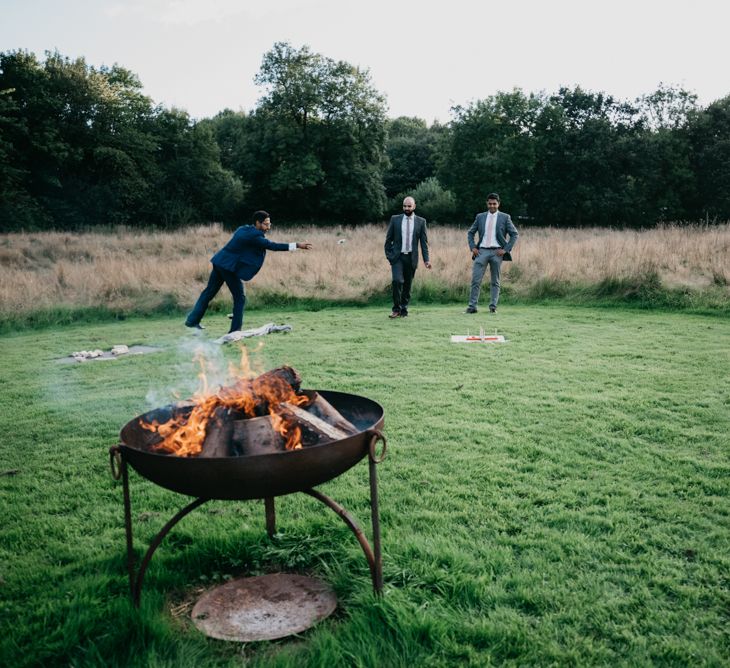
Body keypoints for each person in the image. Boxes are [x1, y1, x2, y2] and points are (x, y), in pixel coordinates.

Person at [185, 210, 312, 333]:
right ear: (257, 223)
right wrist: (297, 245)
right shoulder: (254, 236)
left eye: (269, 224)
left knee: (208, 293)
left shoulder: (243, 229)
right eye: (266, 224)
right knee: (240, 297)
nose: (268, 227)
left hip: (219, 262)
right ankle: (235, 331)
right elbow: (273, 246)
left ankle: (192, 321)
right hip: (229, 267)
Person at [466, 193, 519, 314]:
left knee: (495, 281)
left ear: (498, 204)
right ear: (487, 203)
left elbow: (514, 234)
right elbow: (470, 233)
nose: (492, 206)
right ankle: (472, 307)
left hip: (497, 252)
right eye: (490, 203)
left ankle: (493, 307)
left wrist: (505, 249)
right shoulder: (480, 217)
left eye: (494, 204)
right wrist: (473, 247)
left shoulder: (505, 217)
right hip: (481, 251)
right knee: (476, 280)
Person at [384, 196, 432, 318]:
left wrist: (426, 260)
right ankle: (396, 309)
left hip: (411, 258)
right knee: (397, 281)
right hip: (397, 258)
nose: (406, 208)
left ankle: (404, 309)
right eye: (405, 206)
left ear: (414, 206)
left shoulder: (421, 222)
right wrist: (390, 256)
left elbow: (423, 243)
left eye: (409, 206)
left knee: (407, 286)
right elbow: (388, 240)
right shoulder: (395, 220)